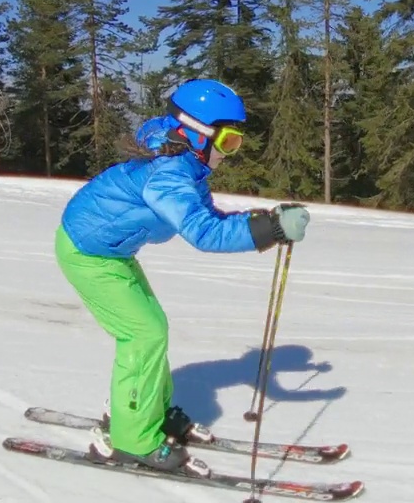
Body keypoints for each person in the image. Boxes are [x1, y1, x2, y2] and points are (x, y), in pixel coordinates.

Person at [53, 78, 310, 476]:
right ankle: (131, 440)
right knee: (142, 334)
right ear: (196, 132)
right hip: (87, 254)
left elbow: (211, 219)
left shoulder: (184, 162)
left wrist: (267, 222)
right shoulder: (169, 175)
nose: (231, 153)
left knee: (153, 328)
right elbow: (204, 234)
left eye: (236, 143)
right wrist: (271, 232)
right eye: (228, 142)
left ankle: (148, 410)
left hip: (110, 251)